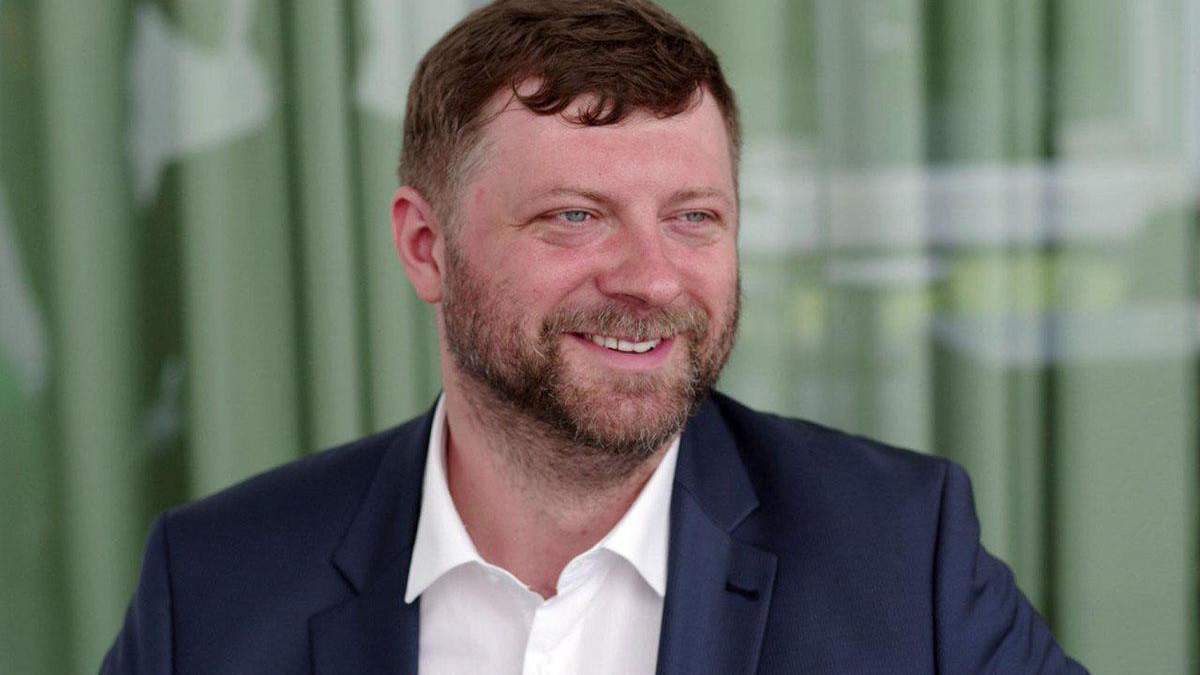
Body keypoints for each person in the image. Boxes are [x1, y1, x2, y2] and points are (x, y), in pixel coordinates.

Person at [102, 1, 1088, 673]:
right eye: (575, 216)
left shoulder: (900, 557)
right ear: (424, 246)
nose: (651, 278)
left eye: (694, 217)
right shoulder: (215, 588)